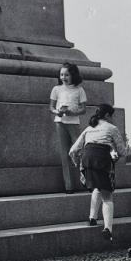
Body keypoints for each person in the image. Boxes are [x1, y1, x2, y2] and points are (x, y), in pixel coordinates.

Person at [69, 104, 126, 241]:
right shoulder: (112, 128)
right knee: (107, 194)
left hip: (87, 159)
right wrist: (117, 154)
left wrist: (76, 162)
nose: (112, 119)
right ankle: (108, 229)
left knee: (97, 187)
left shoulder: (89, 129)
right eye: (111, 116)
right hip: (102, 159)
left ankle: (92, 218)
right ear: (107, 115)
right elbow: (122, 151)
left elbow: (72, 150)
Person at [50, 63, 87, 194]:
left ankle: (87, 181)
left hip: (74, 122)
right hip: (60, 122)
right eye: (61, 74)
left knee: (79, 151)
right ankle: (69, 186)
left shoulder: (79, 90)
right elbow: (51, 107)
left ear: (73, 75)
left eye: (66, 74)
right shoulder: (56, 89)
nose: (63, 77)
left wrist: (73, 112)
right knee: (64, 154)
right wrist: (57, 112)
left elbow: (83, 109)